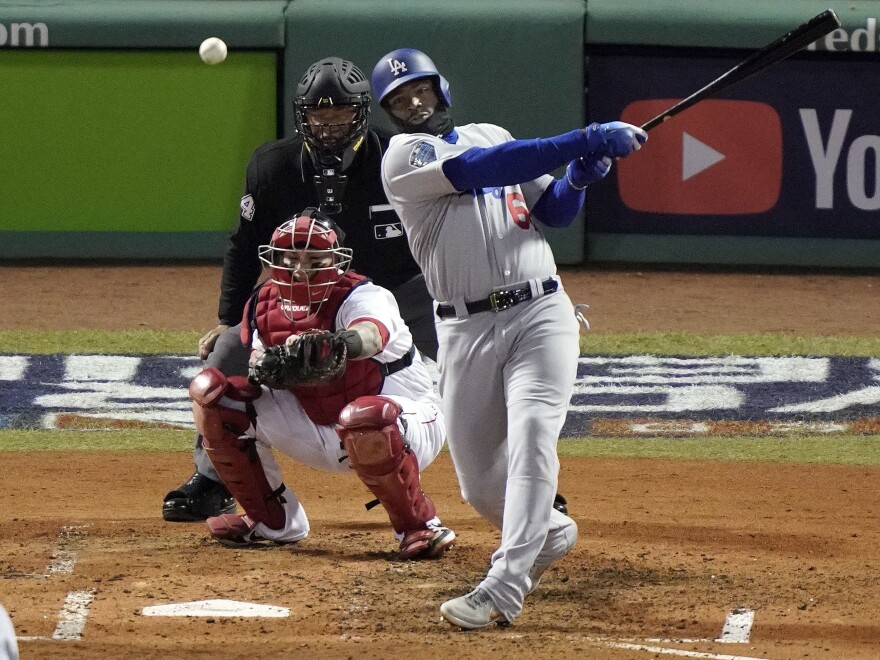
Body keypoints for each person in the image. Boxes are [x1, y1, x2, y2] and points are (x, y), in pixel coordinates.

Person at [371, 48, 647, 628]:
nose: (413, 104)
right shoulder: (403, 157)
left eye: (420, 90)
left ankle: (504, 585)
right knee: (477, 484)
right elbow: (481, 169)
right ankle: (548, 533)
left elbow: (555, 210)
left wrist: (576, 177)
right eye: (398, 101)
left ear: (441, 88)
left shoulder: (490, 133)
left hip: (541, 312)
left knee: (531, 433)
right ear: (390, 115)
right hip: (463, 328)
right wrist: (585, 138)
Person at [162, 57, 437, 522]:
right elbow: (245, 245)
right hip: (310, 300)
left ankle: (516, 484)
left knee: (477, 363)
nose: (328, 127)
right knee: (227, 353)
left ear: (362, 114)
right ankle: (214, 479)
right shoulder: (273, 167)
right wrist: (229, 317)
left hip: (403, 294)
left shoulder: (401, 160)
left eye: (341, 116)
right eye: (318, 116)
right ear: (301, 116)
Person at [189, 207, 455, 559]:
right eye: (291, 258)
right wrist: (271, 368)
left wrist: (337, 345)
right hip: (320, 423)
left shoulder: (364, 295)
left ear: (336, 261)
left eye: (314, 260)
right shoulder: (261, 304)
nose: (300, 269)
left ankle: (419, 526)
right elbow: (257, 364)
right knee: (216, 397)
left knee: (364, 417)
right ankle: (274, 521)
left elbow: (371, 336)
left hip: (405, 420)